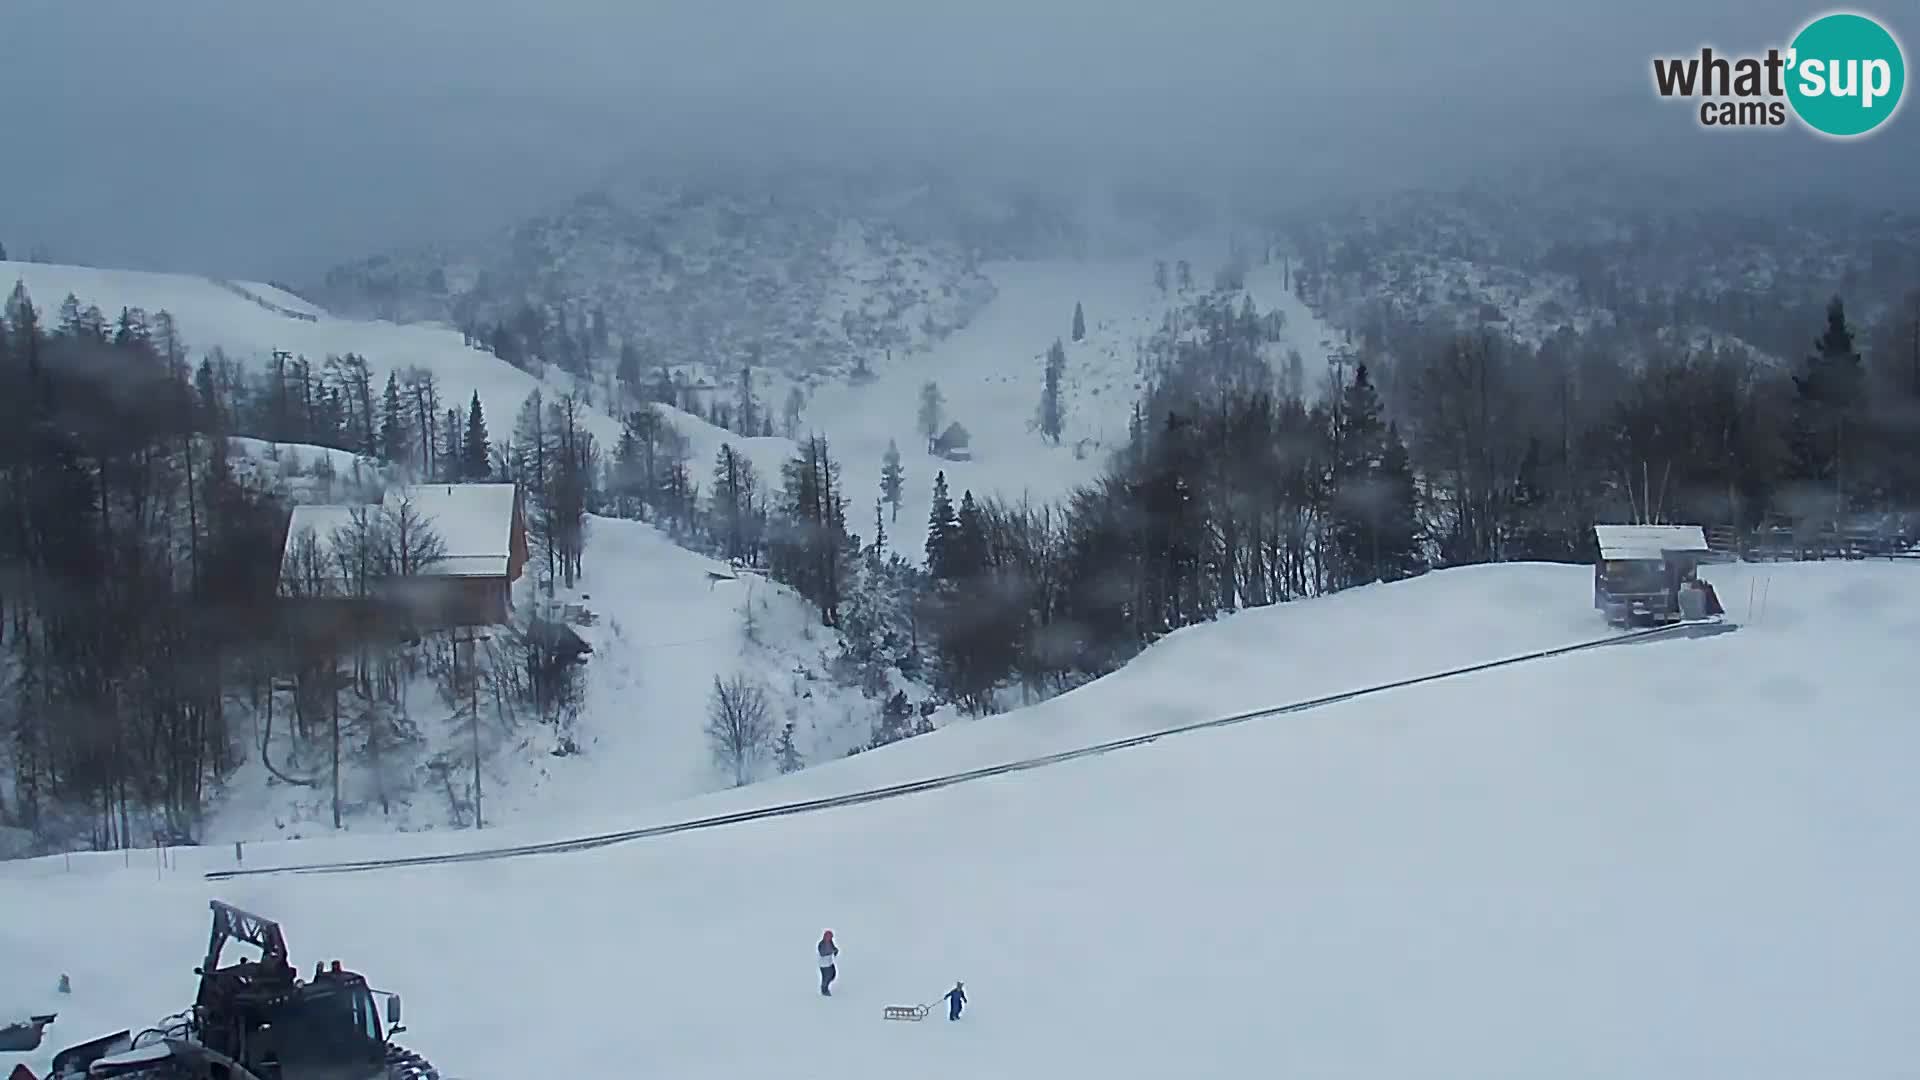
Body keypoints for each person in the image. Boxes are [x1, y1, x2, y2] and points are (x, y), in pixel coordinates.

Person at [817, 930, 838, 996]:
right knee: (826, 977)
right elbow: (822, 953)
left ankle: (825, 986)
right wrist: (832, 951)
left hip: (829, 962)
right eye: (829, 937)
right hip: (824, 965)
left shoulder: (830, 942)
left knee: (833, 975)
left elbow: (833, 947)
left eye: (831, 937)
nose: (830, 939)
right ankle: (824, 990)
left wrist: (835, 950)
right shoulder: (821, 944)